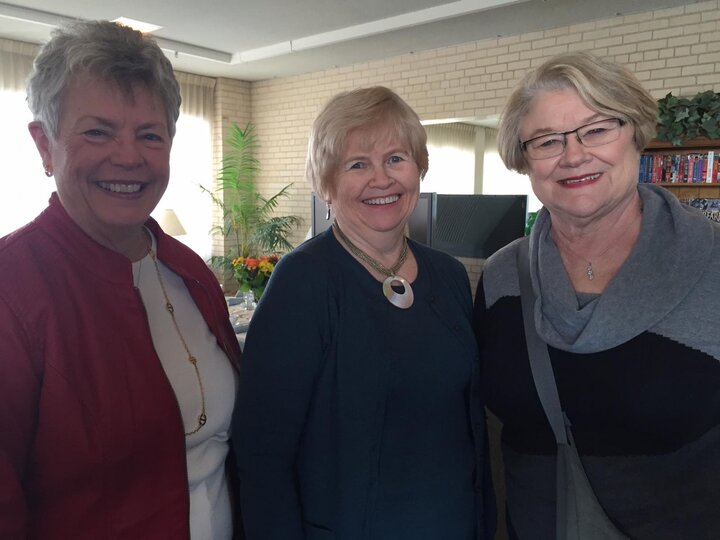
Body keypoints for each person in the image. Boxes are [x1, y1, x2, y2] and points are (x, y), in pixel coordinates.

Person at [0, 21, 242, 539]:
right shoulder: (11, 288)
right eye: (97, 131)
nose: (129, 156)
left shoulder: (189, 269)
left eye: (149, 135)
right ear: (44, 145)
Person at [474, 51, 720, 539]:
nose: (573, 155)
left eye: (597, 129)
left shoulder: (712, 266)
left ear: (635, 132)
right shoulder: (503, 276)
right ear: (524, 159)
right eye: (547, 141)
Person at [233, 86, 495, 539]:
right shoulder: (302, 283)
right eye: (358, 164)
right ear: (327, 183)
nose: (382, 179)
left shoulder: (450, 276)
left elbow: (468, 425)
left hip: (452, 522)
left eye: (396, 158)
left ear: (419, 169)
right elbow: (261, 456)